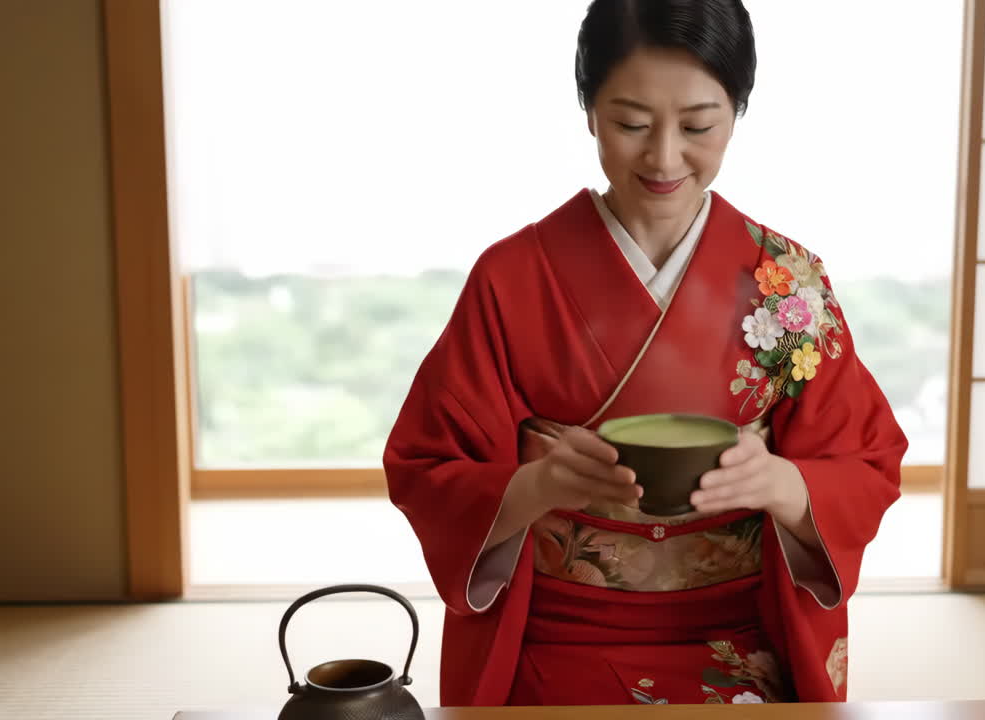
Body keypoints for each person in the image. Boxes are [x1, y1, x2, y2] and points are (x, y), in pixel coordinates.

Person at [385, 0, 907, 706]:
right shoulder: (511, 278)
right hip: (555, 639)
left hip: (741, 644)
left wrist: (782, 484)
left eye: (698, 125)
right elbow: (425, 467)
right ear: (590, 109)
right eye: (631, 123)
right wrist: (536, 488)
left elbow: (867, 462)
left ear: (737, 109)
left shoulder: (787, 283)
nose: (664, 157)